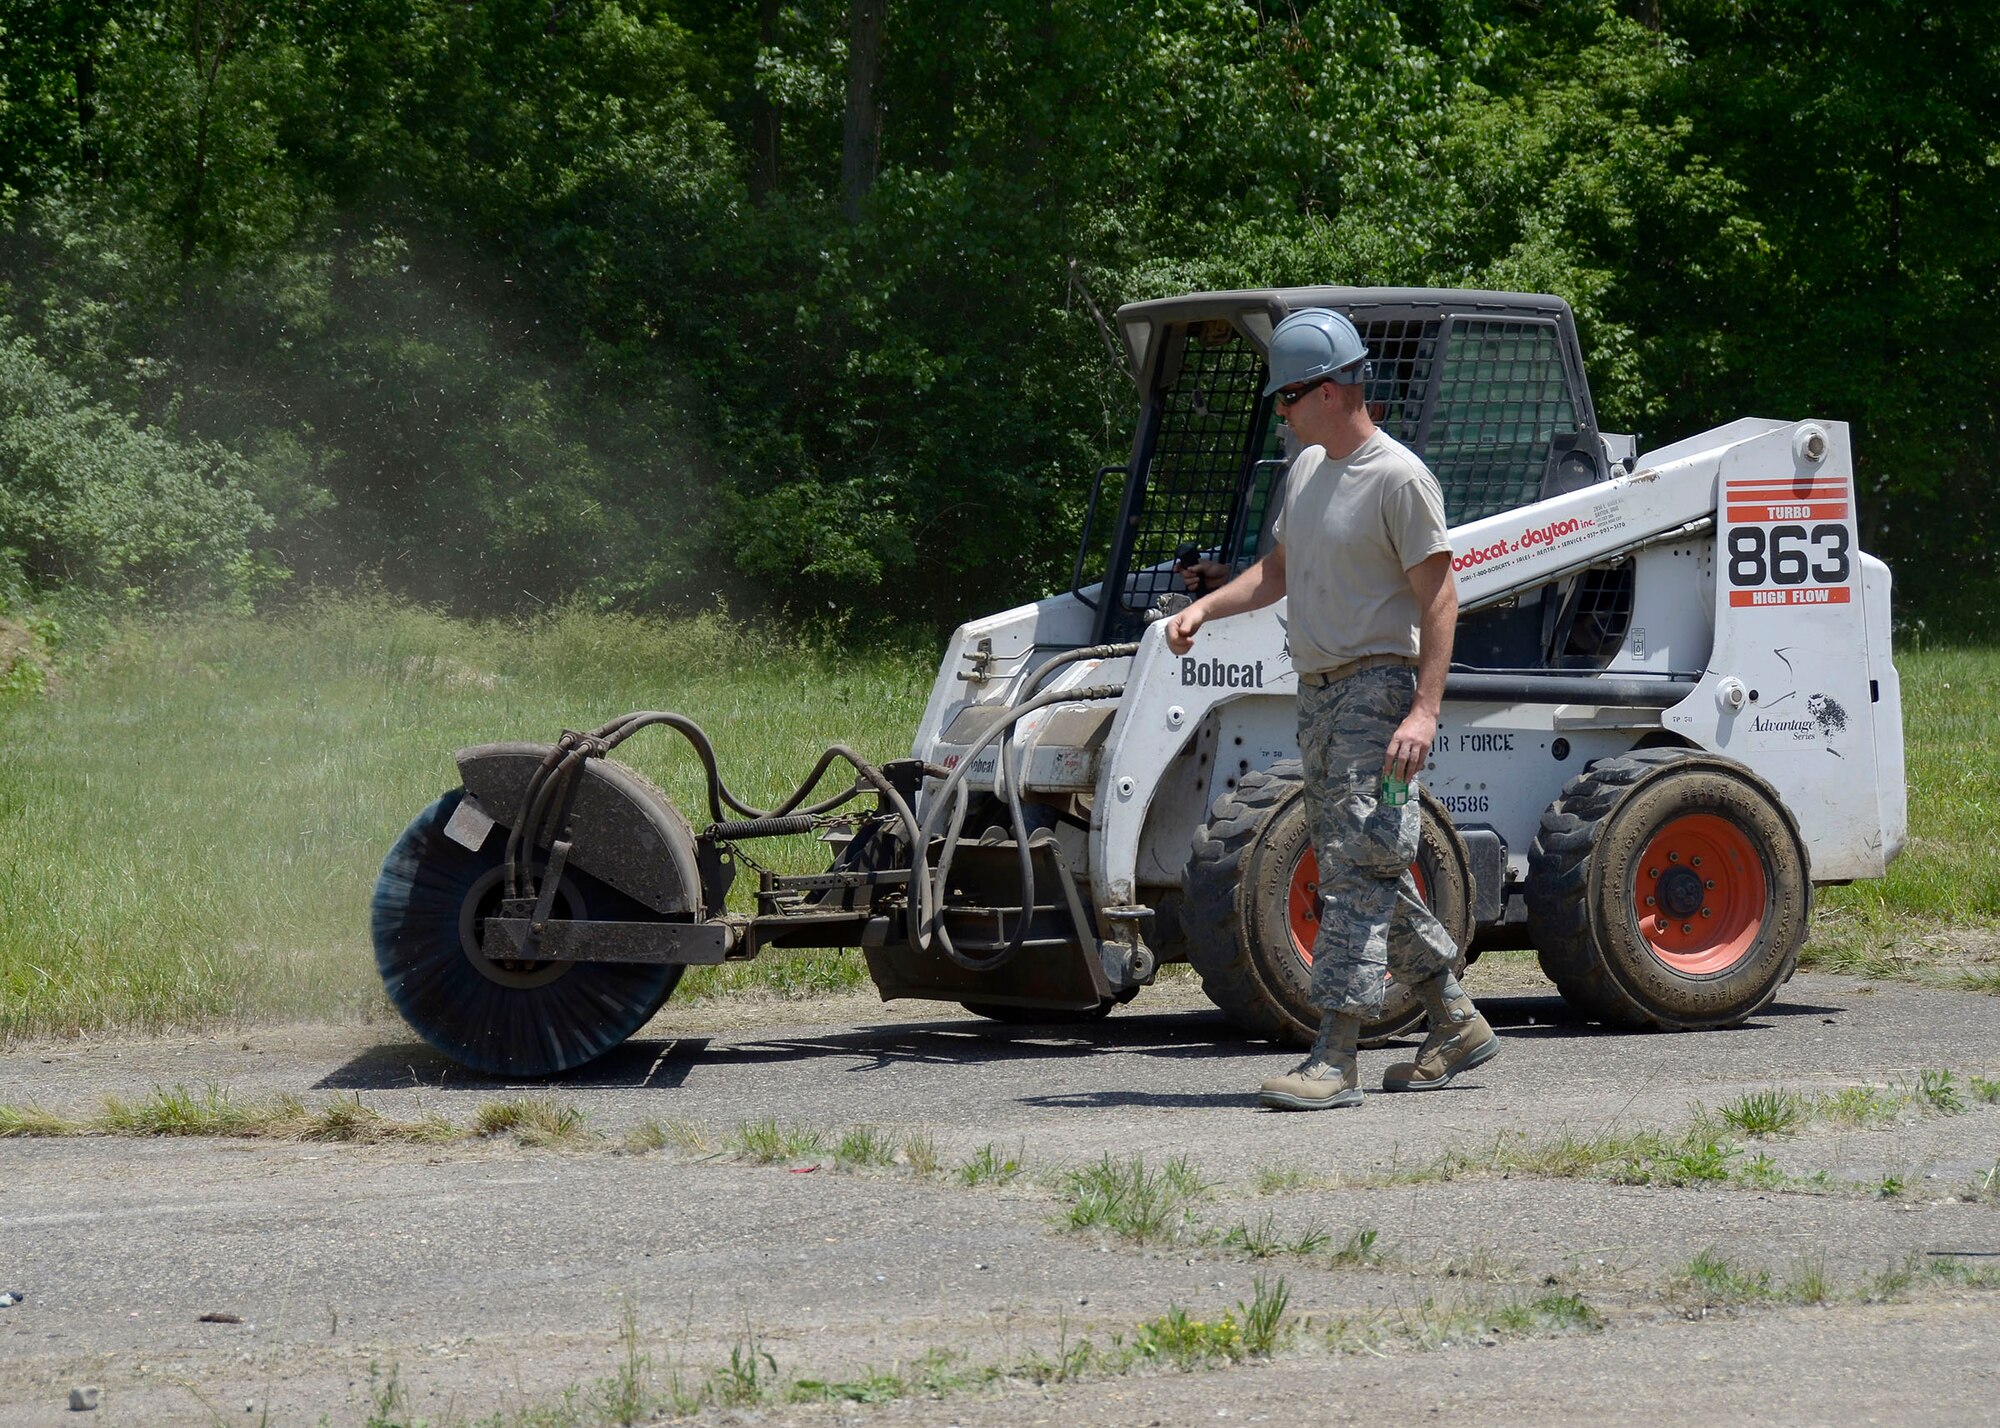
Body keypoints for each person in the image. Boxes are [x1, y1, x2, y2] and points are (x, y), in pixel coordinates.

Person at [1163, 308, 1498, 1110]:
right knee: (1366, 858)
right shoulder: (1307, 471)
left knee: (1353, 873)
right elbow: (1277, 571)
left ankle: (1335, 1056)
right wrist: (1208, 610)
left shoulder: (1399, 478)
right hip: (1316, 693)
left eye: (1288, 397)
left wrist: (1423, 711)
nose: (1280, 411)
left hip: (1378, 692)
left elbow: (1441, 597)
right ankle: (1455, 1022)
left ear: (1333, 389)